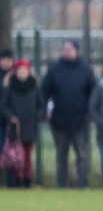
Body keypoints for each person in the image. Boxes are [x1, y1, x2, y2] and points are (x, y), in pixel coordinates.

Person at [40, 39, 96, 189]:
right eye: (65, 49)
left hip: (80, 121)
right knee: (61, 156)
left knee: (83, 156)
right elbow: (44, 92)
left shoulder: (85, 70)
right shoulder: (54, 70)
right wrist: (44, 112)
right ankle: (61, 186)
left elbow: (94, 94)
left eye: (70, 49)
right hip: (59, 121)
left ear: (76, 51)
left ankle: (82, 185)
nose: (67, 51)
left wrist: (90, 113)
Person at [1, 59, 39, 187]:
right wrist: (10, 117)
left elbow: (40, 105)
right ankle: (17, 181)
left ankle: (27, 181)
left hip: (29, 126)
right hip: (15, 128)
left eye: (25, 70)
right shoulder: (10, 88)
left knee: (28, 156)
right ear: (16, 72)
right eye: (20, 70)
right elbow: (4, 105)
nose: (23, 73)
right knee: (17, 157)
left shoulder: (34, 87)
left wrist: (36, 116)